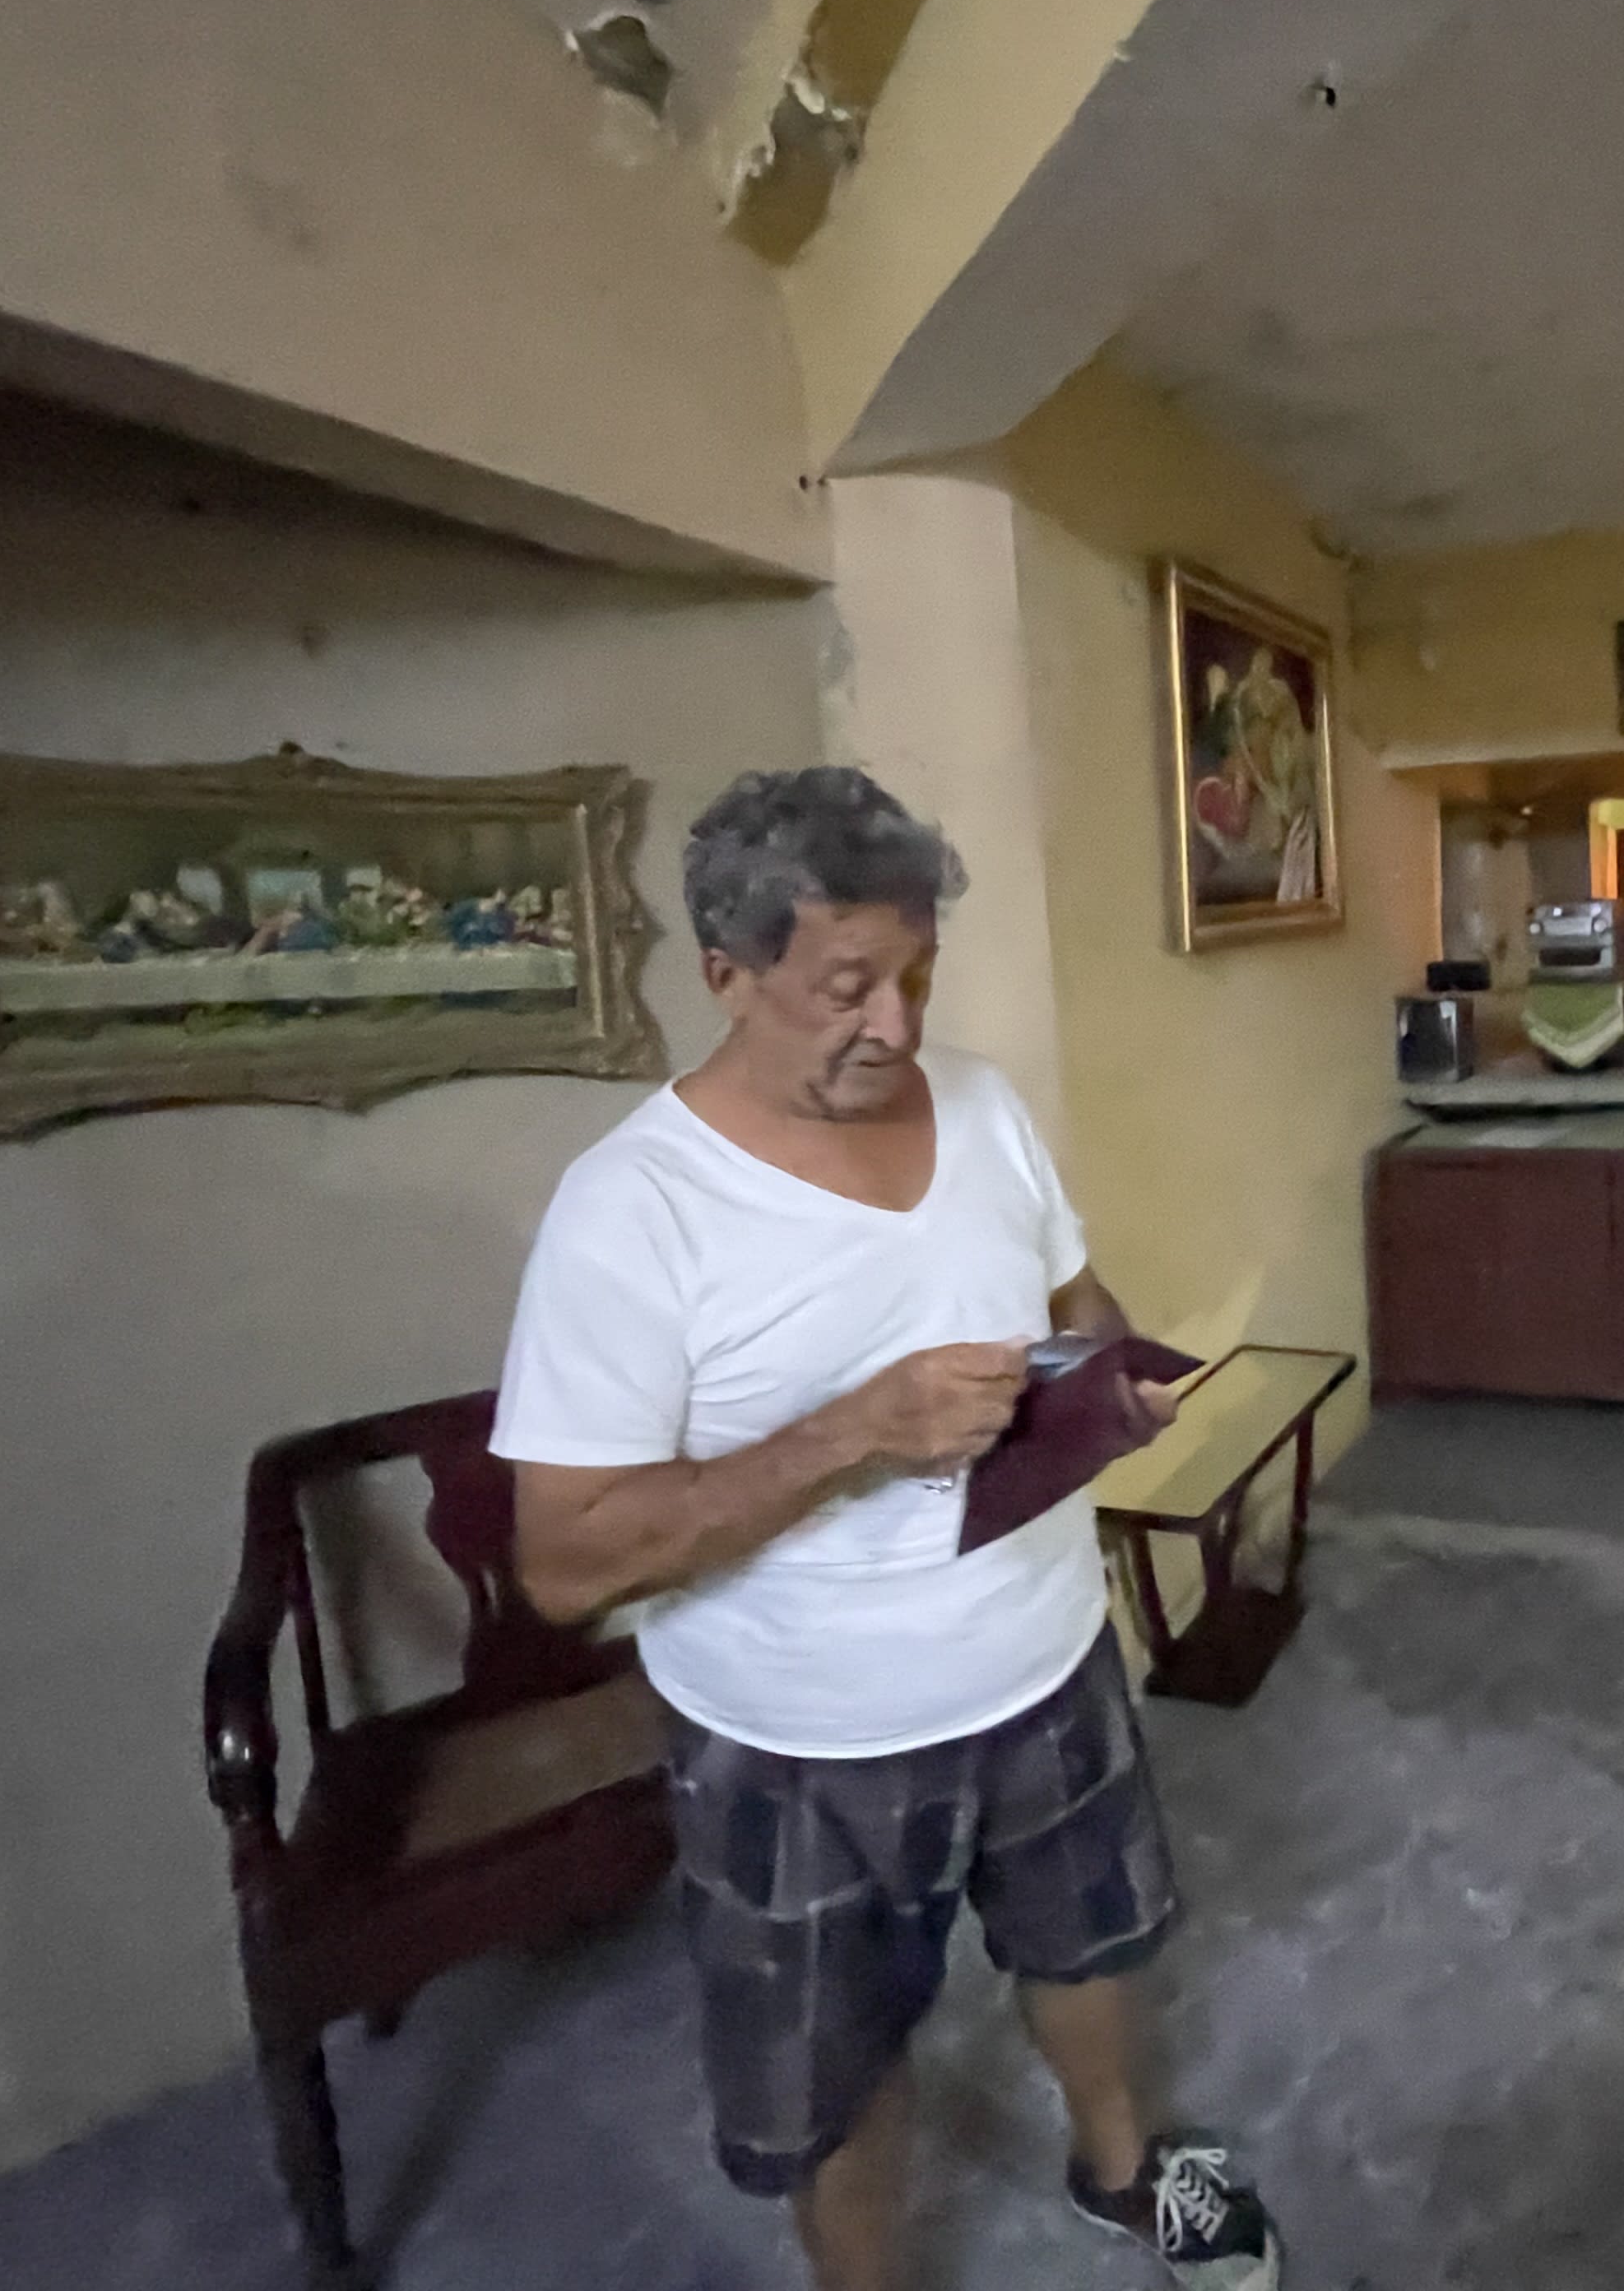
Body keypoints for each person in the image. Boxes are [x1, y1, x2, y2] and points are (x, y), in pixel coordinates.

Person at [491, 767, 1283, 2291]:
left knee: (1093, 1947)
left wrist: (1108, 1381)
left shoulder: (985, 1106)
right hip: (797, 1744)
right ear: (726, 974)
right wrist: (855, 1431)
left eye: (919, 976)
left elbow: (1073, 1299)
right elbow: (565, 1559)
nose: (901, 1026)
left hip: (1045, 1657)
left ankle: (1124, 2172)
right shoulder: (631, 1210)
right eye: (848, 986)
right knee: (833, 2066)